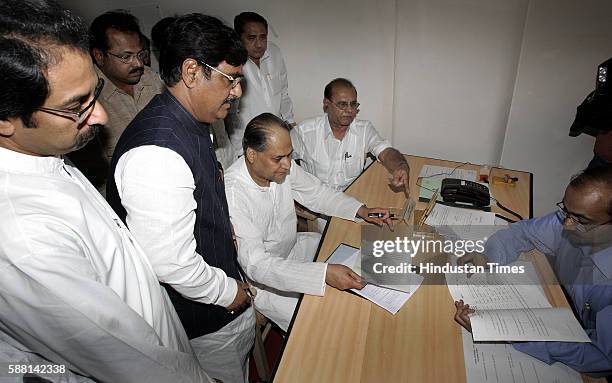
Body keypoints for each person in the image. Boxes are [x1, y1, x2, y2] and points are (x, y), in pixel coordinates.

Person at [0, 1, 213, 382]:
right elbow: (125, 359)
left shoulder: (44, 153)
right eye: (76, 106)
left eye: (94, 92)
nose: (99, 115)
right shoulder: (24, 234)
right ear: (5, 120)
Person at [107, 14, 254, 383]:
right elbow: (170, 262)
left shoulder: (191, 121)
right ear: (192, 71)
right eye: (230, 79)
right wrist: (228, 292)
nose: (236, 91)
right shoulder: (157, 152)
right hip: (203, 319)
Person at [224, 113, 394, 331]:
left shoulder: (279, 166)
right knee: (324, 322)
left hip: (294, 248)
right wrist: (323, 274)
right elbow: (257, 265)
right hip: (265, 281)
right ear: (251, 154)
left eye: (289, 155)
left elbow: (317, 193)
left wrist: (361, 210)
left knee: (355, 257)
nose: (287, 165)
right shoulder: (234, 194)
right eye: (278, 158)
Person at [454, 166, 612, 376]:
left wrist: (514, 333)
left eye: (581, 220)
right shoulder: (571, 220)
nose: (566, 225)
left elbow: (599, 357)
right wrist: (488, 256)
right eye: (565, 211)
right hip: (560, 306)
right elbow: (524, 232)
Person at [227, 12, 295, 158]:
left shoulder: (274, 53)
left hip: (277, 136)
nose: (259, 44)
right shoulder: (232, 62)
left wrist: (290, 124)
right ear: (239, 38)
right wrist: (239, 151)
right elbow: (232, 112)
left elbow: (283, 92)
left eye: (263, 37)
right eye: (251, 38)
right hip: (249, 142)